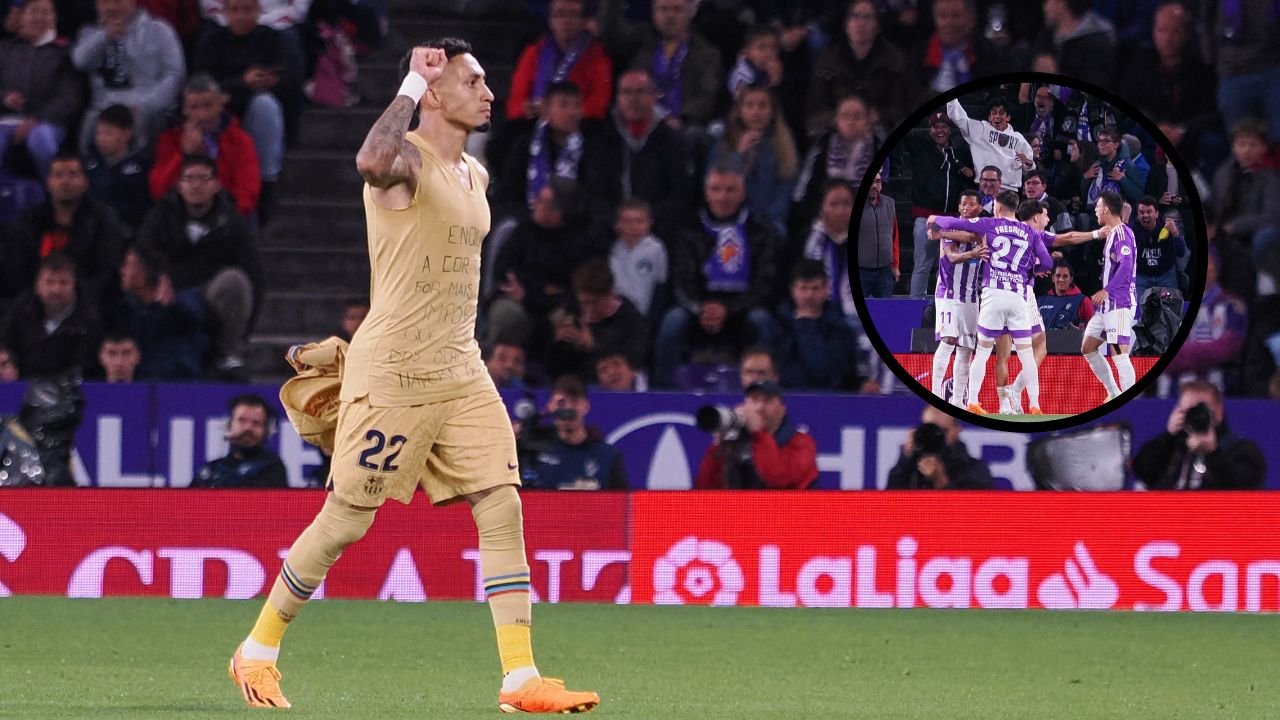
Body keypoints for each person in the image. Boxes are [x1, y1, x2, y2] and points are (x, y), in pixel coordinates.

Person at [227, 39, 599, 713]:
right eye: (474, 81)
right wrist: (406, 81)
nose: (490, 93)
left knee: (502, 501)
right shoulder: (403, 162)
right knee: (346, 520)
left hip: (461, 365)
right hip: (394, 370)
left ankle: (519, 680)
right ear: (435, 93)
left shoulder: (477, 176)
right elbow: (368, 160)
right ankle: (256, 651)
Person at [136, 154, 263, 381]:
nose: (196, 185)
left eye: (203, 178)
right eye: (189, 178)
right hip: (169, 290)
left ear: (216, 184)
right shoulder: (161, 216)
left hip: (209, 296)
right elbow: (145, 251)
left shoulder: (232, 222)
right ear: (179, 185)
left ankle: (228, 353)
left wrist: (246, 333)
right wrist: (161, 279)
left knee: (234, 280)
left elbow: (255, 274)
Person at [653, 162, 779, 388]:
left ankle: (765, 390)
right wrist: (699, 308)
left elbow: (765, 285)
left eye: (730, 190)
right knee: (673, 321)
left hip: (744, 309)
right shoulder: (688, 229)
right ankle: (663, 391)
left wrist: (728, 309)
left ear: (742, 193)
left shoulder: (763, 230)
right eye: (716, 190)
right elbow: (681, 283)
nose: (723, 197)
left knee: (763, 321)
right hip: (699, 310)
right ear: (706, 193)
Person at [929, 194, 1054, 415]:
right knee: (1026, 353)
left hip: (993, 295)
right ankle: (1035, 404)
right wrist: (1029, 271)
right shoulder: (1030, 232)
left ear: (997, 207)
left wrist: (934, 218)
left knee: (982, 351)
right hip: (1017, 296)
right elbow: (1048, 262)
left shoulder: (990, 224)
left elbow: (952, 223)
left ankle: (973, 401)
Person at [192, 0, 288, 201]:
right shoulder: (211, 41)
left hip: (257, 110)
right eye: (235, 10)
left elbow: (289, 77)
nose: (241, 16)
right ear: (225, 12)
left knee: (266, 106)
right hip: (221, 111)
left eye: (247, 9)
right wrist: (243, 82)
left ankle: (268, 179)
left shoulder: (271, 38)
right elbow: (203, 82)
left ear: (258, 10)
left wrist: (271, 80)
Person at [6, 152, 126, 313]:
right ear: (48, 183)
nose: (65, 181)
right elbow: (15, 267)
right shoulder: (30, 219)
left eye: (73, 175)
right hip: (31, 304)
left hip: (89, 306)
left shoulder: (102, 219)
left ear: (85, 182)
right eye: (58, 175)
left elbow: (107, 271)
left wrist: (75, 297)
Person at [71, 0, 186, 152]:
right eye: (104, 2)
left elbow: (175, 74)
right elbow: (80, 61)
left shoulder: (160, 30)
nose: (111, 7)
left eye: (117, 2)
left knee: (140, 121)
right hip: (105, 106)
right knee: (91, 122)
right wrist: (104, 35)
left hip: (148, 107)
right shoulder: (90, 32)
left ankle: (135, 171)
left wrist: (146, 104)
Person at [598, 68, 696, 235]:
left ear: (654, 97)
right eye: (626, 92)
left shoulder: (672, 140)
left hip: (659, 230)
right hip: (610, 229)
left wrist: (644, 221)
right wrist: (617, 220)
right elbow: (594, 193)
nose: (633, 99)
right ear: (617, 98)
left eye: (640, 92)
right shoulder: (603, 138)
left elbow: (681, 195)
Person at [598, 0, 722, 132]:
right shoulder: (639, 39)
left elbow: (706, 96)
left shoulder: (707, 54)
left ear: (691, 12)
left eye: (677, 9)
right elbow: (610, 37)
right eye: (663, 9)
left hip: (681, 128)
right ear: (653, 13)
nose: (670, 15)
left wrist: (682, 119)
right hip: (636, 119)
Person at [150, 74, 262, 217]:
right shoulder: (169, 140)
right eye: (194, 107)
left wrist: (218, 217)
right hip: (181, 218)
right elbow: (159, 192)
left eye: (208, 105)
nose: (202, 115)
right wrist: (184, 155)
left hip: (229, 218)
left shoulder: (240, 141)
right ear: (185, 110)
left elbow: (248, 192)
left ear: (222, 102)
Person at [0, 0, 84, 180]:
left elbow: (70, 97)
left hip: (48, 121)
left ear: (54, 18)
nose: (39, 17)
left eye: (46, 12)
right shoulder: (6, 49)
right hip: (7, 120)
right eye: (34, 11)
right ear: (22, 16)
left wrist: (37, 118)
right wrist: (4, 97)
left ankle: (52, 193)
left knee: (41, 139)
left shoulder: (65, 52)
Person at [1132, 381, 1265, 490]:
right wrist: (1168, 437)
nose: (1194, 417)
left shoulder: (1242, 450)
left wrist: (1213, 454)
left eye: (1201, 411)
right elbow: (1143, 474)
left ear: (1219, 412)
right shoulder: (1173, 446)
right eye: (1187, 411)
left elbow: (1242, 494)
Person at [706, 85, 798, 234]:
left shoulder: (784, 145)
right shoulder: (725, 141)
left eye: (763, 106)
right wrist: (739, 155)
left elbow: (786, 191)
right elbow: (714, 184)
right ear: (740, 111)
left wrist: (768, 220)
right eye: (749, 105)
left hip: (770, 220)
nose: (756, 112)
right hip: (732, 219)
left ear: (772, 112)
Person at [902, 109, 975, 299]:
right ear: (929, 130)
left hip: (951, 220)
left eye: (944, 127)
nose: (940, 131)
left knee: (950, 263)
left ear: (950, 130)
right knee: (923, 264)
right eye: (935, 127)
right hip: (926, 217)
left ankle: (949, 301)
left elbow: (968, 181)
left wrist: (970, 175)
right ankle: (916, 305)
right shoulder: (921, 147)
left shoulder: (959, 152)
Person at [693, 379, 818, 489]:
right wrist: (719, 447)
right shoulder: (736, 443)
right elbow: (704, 490)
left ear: (782, 410)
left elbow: (777, 480)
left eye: (767, 401)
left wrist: (758, 433)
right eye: (754, 400)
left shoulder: (802, 443)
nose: (759, 408)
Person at [807, 0, 908, 136]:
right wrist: (838, 118)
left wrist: (878, 116)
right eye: (855, 16)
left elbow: (901, 107)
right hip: (837, 130)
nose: (861, 23)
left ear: (877, 25)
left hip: (878, 129)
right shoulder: (827, 60)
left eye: (867, 17)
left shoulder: (893, 60)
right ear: (846, 24)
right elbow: (814, 110)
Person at [505, 0, 612, 124]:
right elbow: (515, 101)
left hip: (581, 125)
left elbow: (599, 103)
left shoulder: (596, 54)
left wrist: (561, 115)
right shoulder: (534, 52)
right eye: (560, 14)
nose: (566, 21)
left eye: (573, 14)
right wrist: (526, 110)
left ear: (583, 22)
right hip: (534, 122)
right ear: (550, 21)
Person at [1, 252, 102, 379]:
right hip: (25, 389)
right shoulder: (19, 315)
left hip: (74, 393)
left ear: (73, 286)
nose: (56, 290)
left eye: (63, 283)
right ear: (38, 286)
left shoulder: (90, 320)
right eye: (49, 282)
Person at [546, 258, 648, 382]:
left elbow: (633, 360)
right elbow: (557, 370)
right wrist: (559, 345)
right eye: (584, 303)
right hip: (578, 387)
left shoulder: (629, 317)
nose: (588, 309)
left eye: (594, 303)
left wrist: (593, 345)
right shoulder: (573, 313)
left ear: (610, 294)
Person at [115, 244, 206, 380]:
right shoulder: (127, 309)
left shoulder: (182, 303)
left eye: (128, 265)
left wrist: (171, 308)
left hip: (177, 386)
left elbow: (192, 323)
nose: (122, 271)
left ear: (143, 274)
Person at [521, 374, 627, 490]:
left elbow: (621, 501)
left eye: (574, 402)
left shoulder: (606, 455)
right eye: (561, 403)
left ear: (586, 406)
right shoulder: (535, 451)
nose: (568, 409)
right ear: (551, 407)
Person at [929, 188, 984, 407]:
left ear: (980, 207)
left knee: (966, 347)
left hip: (970, 296)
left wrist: (942, 232)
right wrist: (972, 253)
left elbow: (975, 236)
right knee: (948, 340)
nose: (966, 208)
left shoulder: (981, 228)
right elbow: (951, 257)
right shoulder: (949, 226)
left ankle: (958, 401)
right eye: (963, 204)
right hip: (948, 293)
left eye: (971, 205)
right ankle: (934, 394)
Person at [774, 259, 856, 390]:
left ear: (826, 289)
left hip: (829, 400)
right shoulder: (777, 324)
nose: (809, 295)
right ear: (792, 290)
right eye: (803, 288)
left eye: (815, 288)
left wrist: (806, 325)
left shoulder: (840, 329)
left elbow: (824, 374)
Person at [1209, 117, 1280, 265]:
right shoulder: (1224, 172)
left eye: (1253, 145)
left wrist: (1235, 227)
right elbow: (1213, 206)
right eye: (1242, 144)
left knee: (1264, 236)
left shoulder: (1270, 177)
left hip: (1252, 231)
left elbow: (1271, 216)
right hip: (1224, 230)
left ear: (1264, 148)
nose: (1247, 150)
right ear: (1233, 147)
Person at [83, 103, 153, 233]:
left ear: (127, 134)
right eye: (99, 133)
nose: (101, 139)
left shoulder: (140, 168)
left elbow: (140, 207)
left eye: (108, 133)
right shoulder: (88, 163)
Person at [886, 405, 994, 489]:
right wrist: (904, 461)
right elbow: (888, 506)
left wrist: (940, 481)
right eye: (930, 429)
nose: (934, 437)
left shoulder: (976, 470)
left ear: (956, 430)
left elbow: (975, 513)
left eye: (941, 431)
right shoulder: (909, 467)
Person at [191, 393, 287, 488]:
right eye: (242, 420)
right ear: (229, 425)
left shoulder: (272, 468)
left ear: (265, 431)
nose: (248, 428)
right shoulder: (211, 470)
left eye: (256, 423)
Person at [946, 94, 1033, 192]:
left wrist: (1029, 164)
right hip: (985, 189)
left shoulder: (1018, 138)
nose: (997, 116)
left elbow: (1029, 168)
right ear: (989, 117)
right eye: (994, 113)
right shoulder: (980, 129)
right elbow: (959, 118)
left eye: (1001, 113)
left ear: (1008, 117)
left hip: (1009, 191)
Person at [607, 198, 668, 322]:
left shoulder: (656, 249)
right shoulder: (613, 249)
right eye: (627, 221)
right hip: (616, 315)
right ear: (617, 224)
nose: (633, 226)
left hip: (644, 315)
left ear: (649, 223)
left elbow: (661, 283)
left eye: (639, 221)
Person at [802, 181, 855, 322]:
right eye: (833, 204)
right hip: (817, 312)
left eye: (846, 204)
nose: (840, 211)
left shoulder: (869, 240)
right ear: (821, 208)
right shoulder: (805, 239)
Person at [1040, 0, 1115, 88]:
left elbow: (1090, 97)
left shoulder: (1096, 46)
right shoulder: (1046, 37)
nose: (1044, 8)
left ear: (1061, 4)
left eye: (1047, 2)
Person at [1129, 195, 1187, 304]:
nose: (1145, 215)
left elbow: (1181, 252)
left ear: (1156, 213)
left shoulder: (1167, 226)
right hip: (1142, 276)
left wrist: (1174, 233)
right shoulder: (1132, 229)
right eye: (1141, 212)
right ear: (1137, 214)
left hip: (1165, 275)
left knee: (1171, 309)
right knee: (1139, 311)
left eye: (1149, 212)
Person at [856, 171, 899, 299]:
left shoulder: (890, 204)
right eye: (871, 182)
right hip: (861, 271)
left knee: (885, 314)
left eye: (878, 181)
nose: (874, 185)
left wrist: (895, 265)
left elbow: (895, 237)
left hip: (884, 272)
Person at [1037, 259, 1094, 330]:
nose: (1061, 279)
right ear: (1053, 278)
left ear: (1071, 279)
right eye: (1058, 276)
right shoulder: (1041, 301)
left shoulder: (1083, 301)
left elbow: (1093, 330)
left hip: (1070, 340)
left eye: (1065, 276)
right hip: (1043, 340)